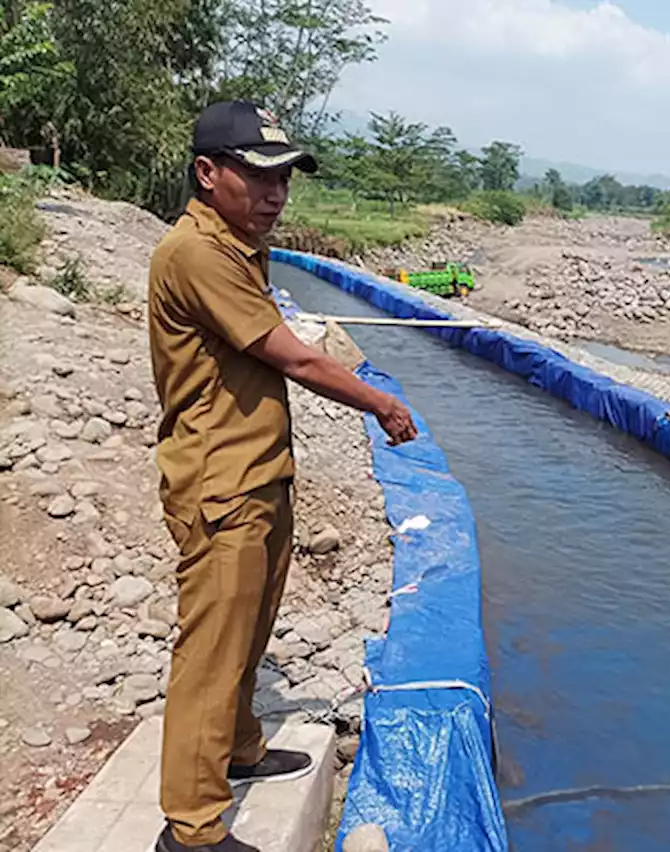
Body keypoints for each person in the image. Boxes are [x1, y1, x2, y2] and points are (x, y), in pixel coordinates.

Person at [147, 100, 417, 852]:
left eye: (284, 180)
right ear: (207, 174)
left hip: (257, 472)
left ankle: (238, 750)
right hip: (220, 482)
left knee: (249, 632)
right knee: (212, 649)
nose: (275, 194)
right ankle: (192, 828)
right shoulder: (197, 254)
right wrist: (380, 403)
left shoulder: (236, 246)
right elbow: (292, 359)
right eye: (258, 176)